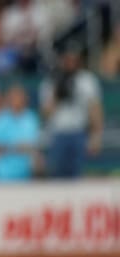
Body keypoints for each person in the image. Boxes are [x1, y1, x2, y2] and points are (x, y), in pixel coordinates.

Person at [39, 43, 103, 178]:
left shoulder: (87, 80)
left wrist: (96, 137)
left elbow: (95, 110)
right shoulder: (51, 81)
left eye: (73, 59)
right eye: (67, 59)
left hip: (79, 133)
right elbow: (45, 113)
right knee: (57, 175)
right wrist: (58, 93)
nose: (70, 63)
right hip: (57, 134)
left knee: (78, 176)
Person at [0, 83, 42, 182]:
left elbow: (34, 146)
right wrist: (15, 147)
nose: (17, 100)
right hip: (2, 177)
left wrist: (7, 148)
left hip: (26, 177)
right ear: (8, 99)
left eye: (20, 97)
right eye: (14, 97)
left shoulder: (31, 118)